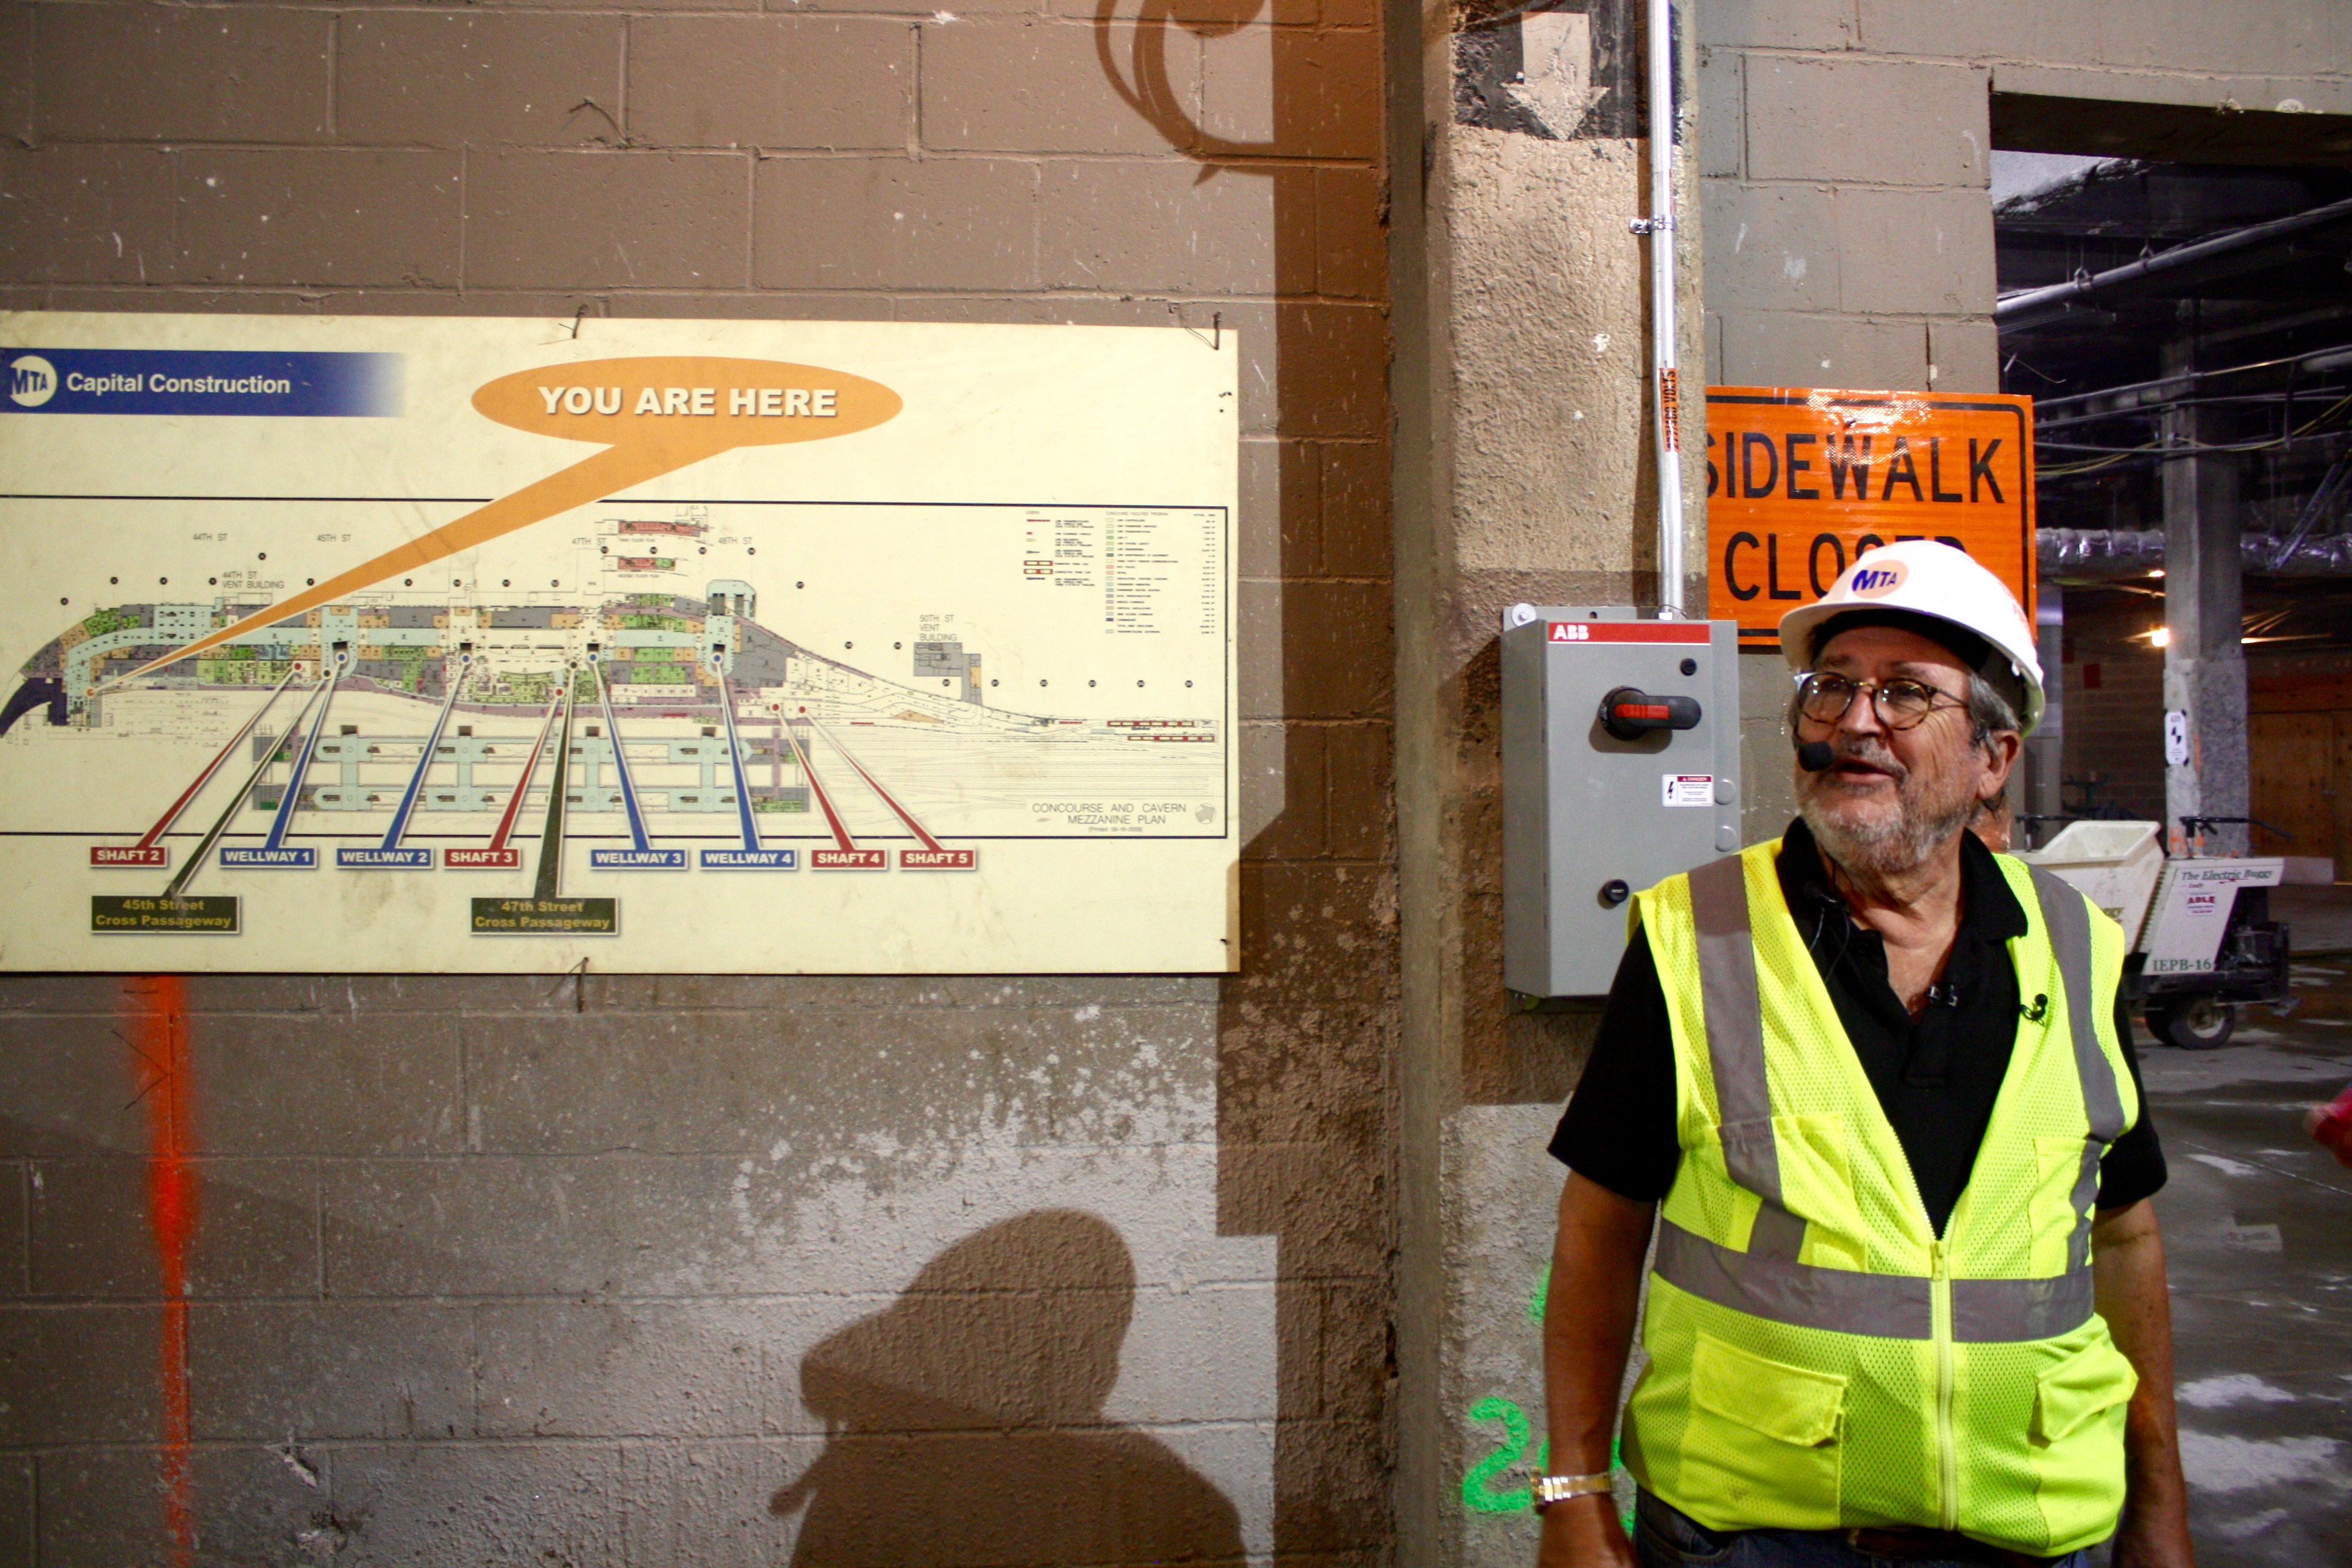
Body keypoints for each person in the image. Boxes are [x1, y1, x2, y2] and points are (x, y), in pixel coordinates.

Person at [1534, 541, 2194, 1568]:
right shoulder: (1694, 936)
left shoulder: (2078, 947)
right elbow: (1600, 1228)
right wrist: (1573, 1493)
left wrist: (2160, 1511)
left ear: (1993, 759)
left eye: (1903, 696)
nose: (1852, 723)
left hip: (2031, 1526)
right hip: (1749, 1534)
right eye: (1829, 690)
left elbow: (2122, 1239)